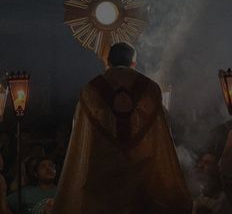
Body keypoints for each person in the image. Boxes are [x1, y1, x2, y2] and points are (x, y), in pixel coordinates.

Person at [53, 42, 192, 214]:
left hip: (101, 181)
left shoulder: (91, 90)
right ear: (133, 63)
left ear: (107, 61)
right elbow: (159, 137)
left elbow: (82, 138)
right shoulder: (150, 89)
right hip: (142, 182)